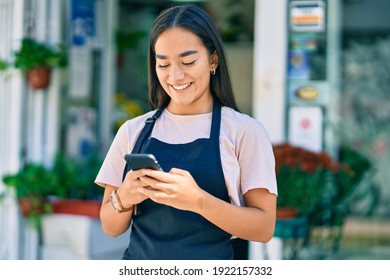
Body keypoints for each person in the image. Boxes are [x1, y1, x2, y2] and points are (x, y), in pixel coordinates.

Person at [95, 4, 277, 260]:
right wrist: (124, 196)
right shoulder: (133, 131)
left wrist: (198, 201)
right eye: (164, 64)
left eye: (188, 61)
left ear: (213, 60)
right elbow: (110, 227)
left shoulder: (244, 131)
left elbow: (264, 228)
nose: (175, 76)